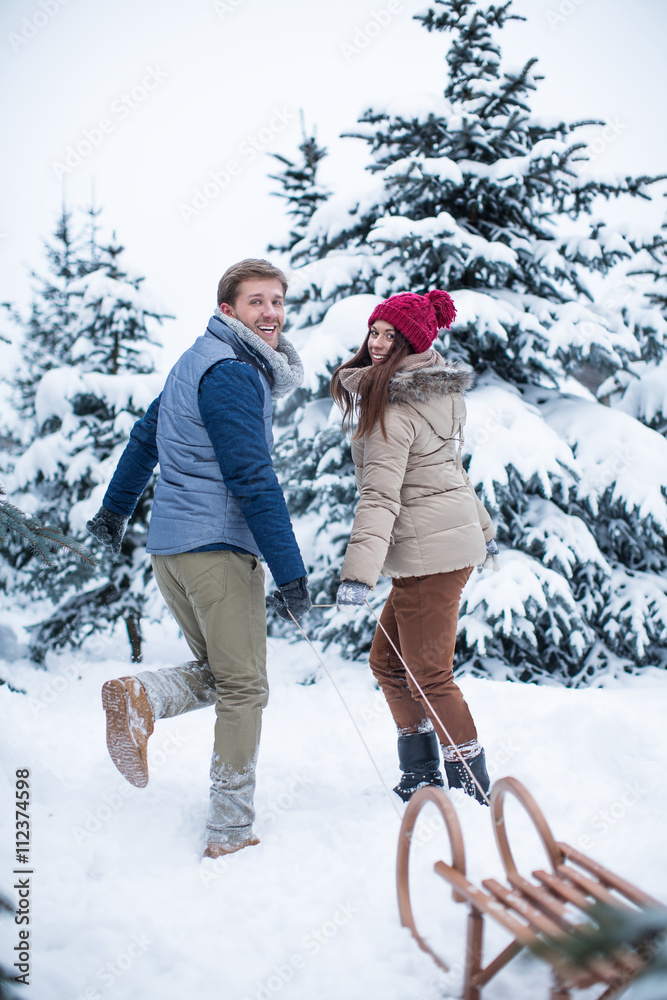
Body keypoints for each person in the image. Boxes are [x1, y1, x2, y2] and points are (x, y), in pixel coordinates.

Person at [87, 258, 311, 857]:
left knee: (224, 675)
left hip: (173, 555)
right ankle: (231, 827)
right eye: (256, 302)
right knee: (245, 688)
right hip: (216, 551)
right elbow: (251, 474)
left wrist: (116, 511)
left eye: (277, 302)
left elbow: (145, 439)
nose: (270, 313)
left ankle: (146, 699)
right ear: (227, 310)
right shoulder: (234, 372)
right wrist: (290, 570)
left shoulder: (196, 361)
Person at [330, 290, 497, 804]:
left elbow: (380, 497)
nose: (377, 344)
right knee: (388, 663)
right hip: (443, 544)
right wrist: (483, 529)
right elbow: (447, 473)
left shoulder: (393, 410)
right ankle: (421, 771)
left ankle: (470, 784)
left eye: (390, 336)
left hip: (433, 553)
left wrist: (357, 576)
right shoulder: (435, 392)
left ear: (413, 343)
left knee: (428, 672)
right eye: (374, 332)